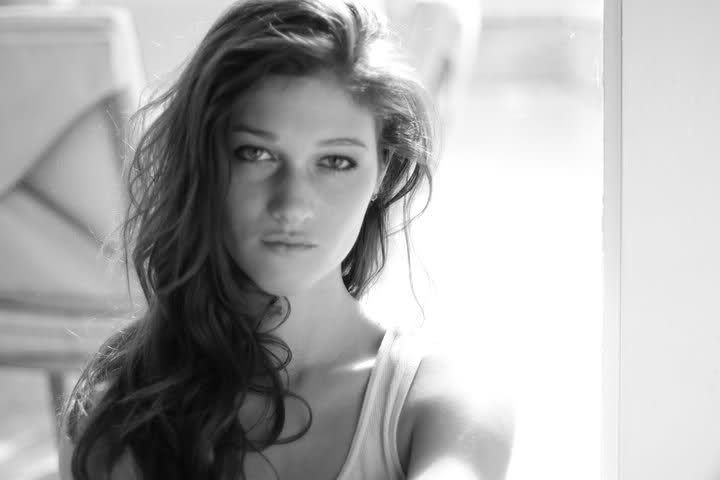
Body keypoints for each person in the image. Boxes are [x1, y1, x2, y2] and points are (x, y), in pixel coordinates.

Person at [58, 0, 514, 479]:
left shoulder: (444, 401)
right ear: (204, 163)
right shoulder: (116, 415)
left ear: (382, 170)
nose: (293, 205)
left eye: (335, 161)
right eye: (256, 154)